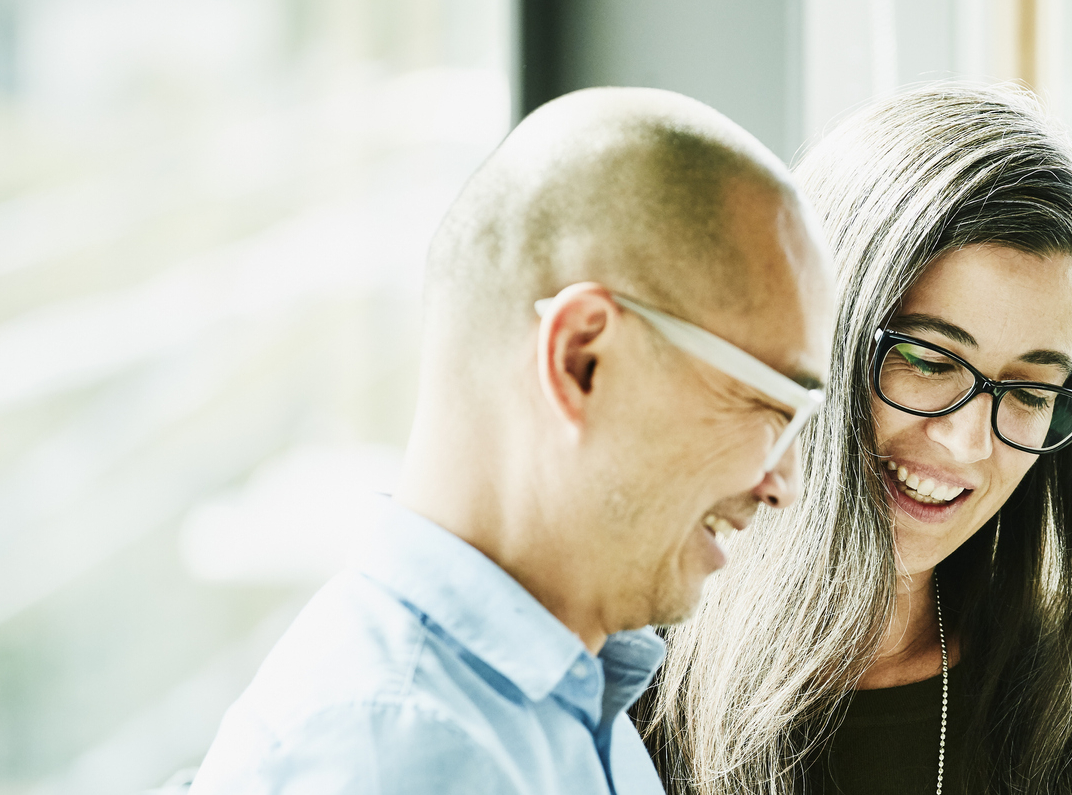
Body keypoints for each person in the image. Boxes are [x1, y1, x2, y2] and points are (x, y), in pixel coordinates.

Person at [188, 87, 834, 794]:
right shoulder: (400, 752)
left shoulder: (558, 706)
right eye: (768, 406)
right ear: (581, 360)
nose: (785, 484)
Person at [643, 84, 1072, 795]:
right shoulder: (619, 667)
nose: (967, 442)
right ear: (811, 329)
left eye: (1031, 392)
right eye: (927, 361)